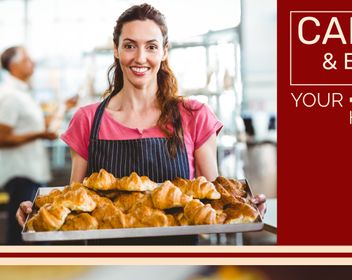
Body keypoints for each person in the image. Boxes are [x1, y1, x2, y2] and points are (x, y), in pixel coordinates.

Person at [16, 3, 266, 240]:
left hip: (177, 263)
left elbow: (213, 200)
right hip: (105, 264)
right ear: (116, 49)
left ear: (164, 51)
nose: (140, 57)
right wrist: (37, 212)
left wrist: (243, 206)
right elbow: (75, 202)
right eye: (129, 46)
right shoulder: (88, 120)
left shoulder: (194, 115)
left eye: (151, 46)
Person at [0, 46, 57, 244]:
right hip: (21, 175)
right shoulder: (10, 96)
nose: (32, 62)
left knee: (33, 232)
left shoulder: (24, 94)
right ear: (13, 65)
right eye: (26, 59)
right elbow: (2, 137)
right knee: (23, 233)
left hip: (32, 174)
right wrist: (40, 134)